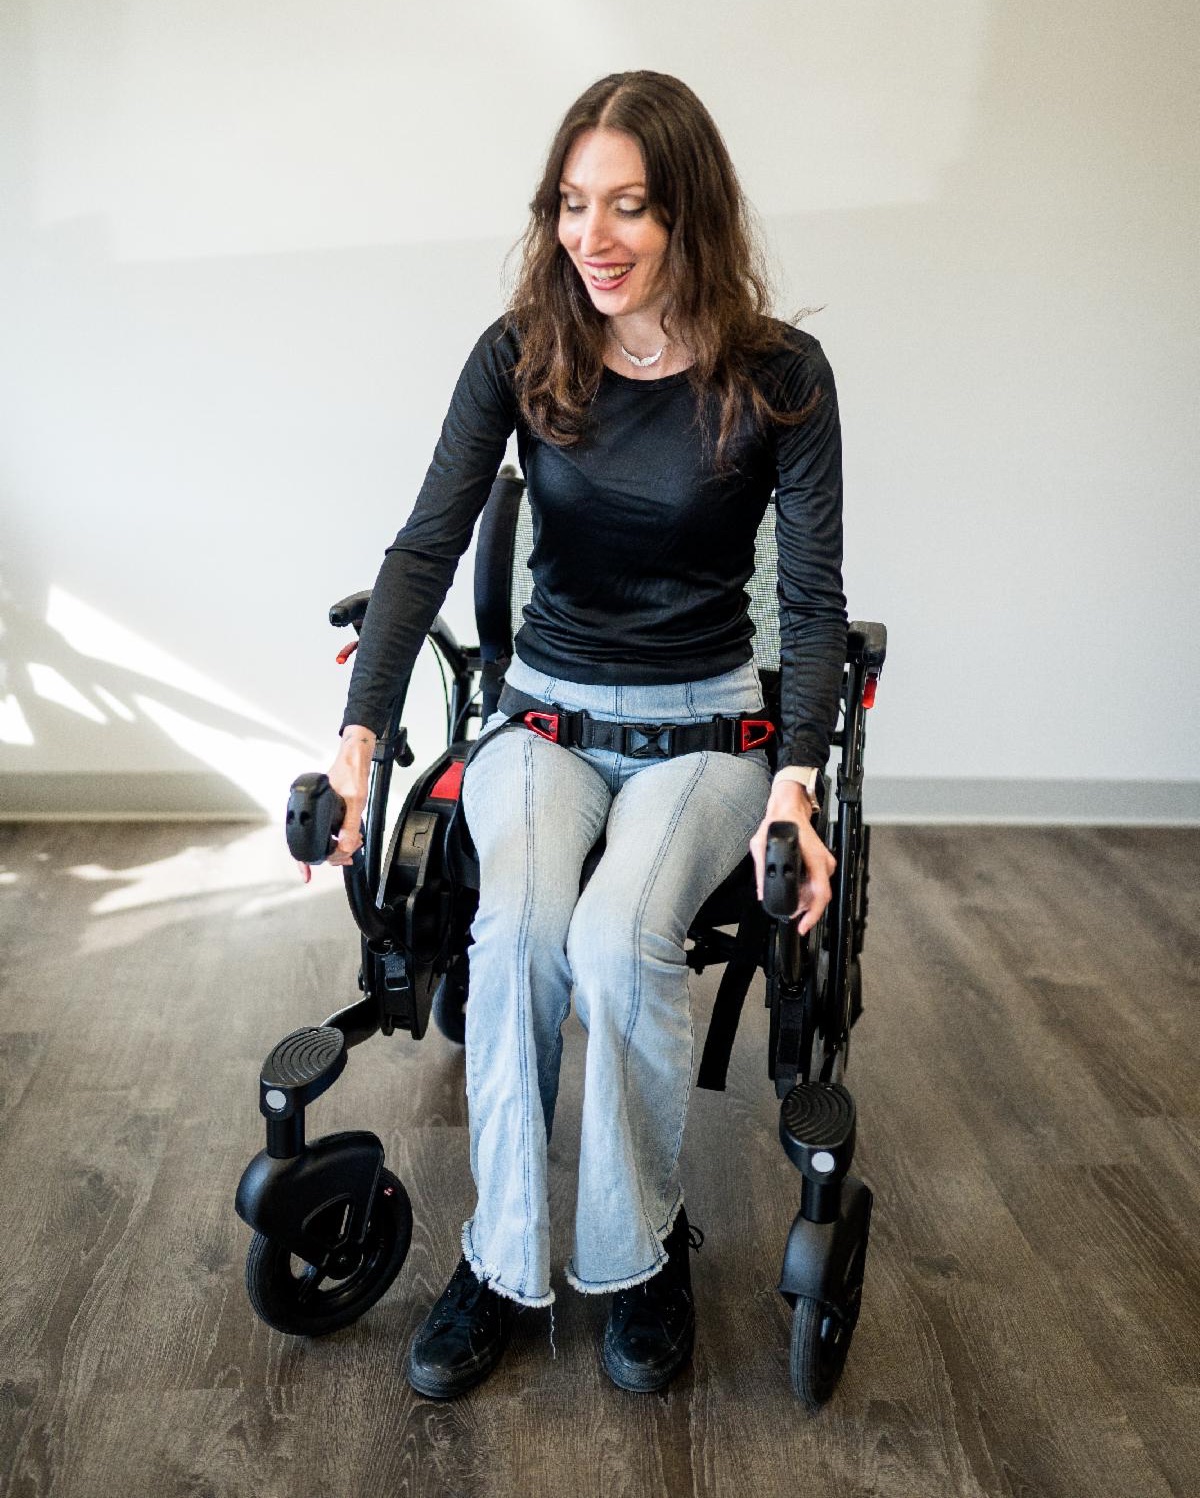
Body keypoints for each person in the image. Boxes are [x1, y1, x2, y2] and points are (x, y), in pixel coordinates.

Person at [315, 70, 845, 1398]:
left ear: (690, 214)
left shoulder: (781, 376)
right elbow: (426, 545)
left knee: (616, 945)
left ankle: (639, 1251)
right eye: (571, 203)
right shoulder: (521, 352)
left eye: (629, 207)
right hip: (543, 719)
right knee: (516, 939)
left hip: (704, 733)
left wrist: (796, 785)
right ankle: (498, 1260)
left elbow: (812, 601)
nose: (591, 237)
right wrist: (359, 739)